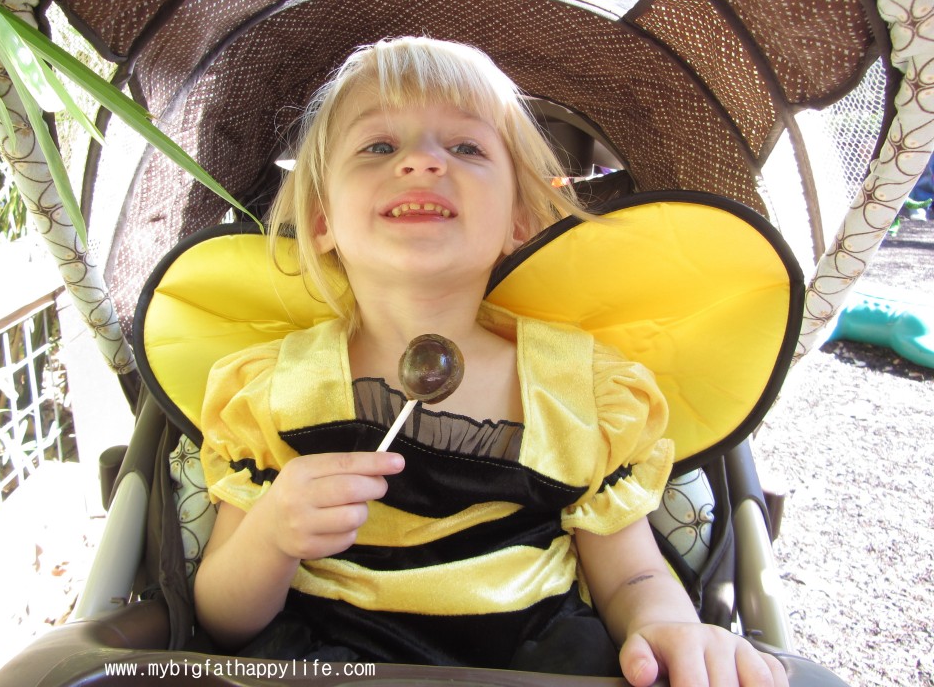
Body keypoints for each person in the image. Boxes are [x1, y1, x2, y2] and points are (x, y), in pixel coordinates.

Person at [194, 36, 787, 687]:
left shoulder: (580, 390)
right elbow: (225, 621)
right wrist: (272, 535)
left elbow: (634, 575)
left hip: (538, 664)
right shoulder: (273, 393)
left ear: (520, 221)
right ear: (320, 221)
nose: (421, 161)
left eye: (466, 147)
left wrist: (667, 626)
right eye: (379, 147)